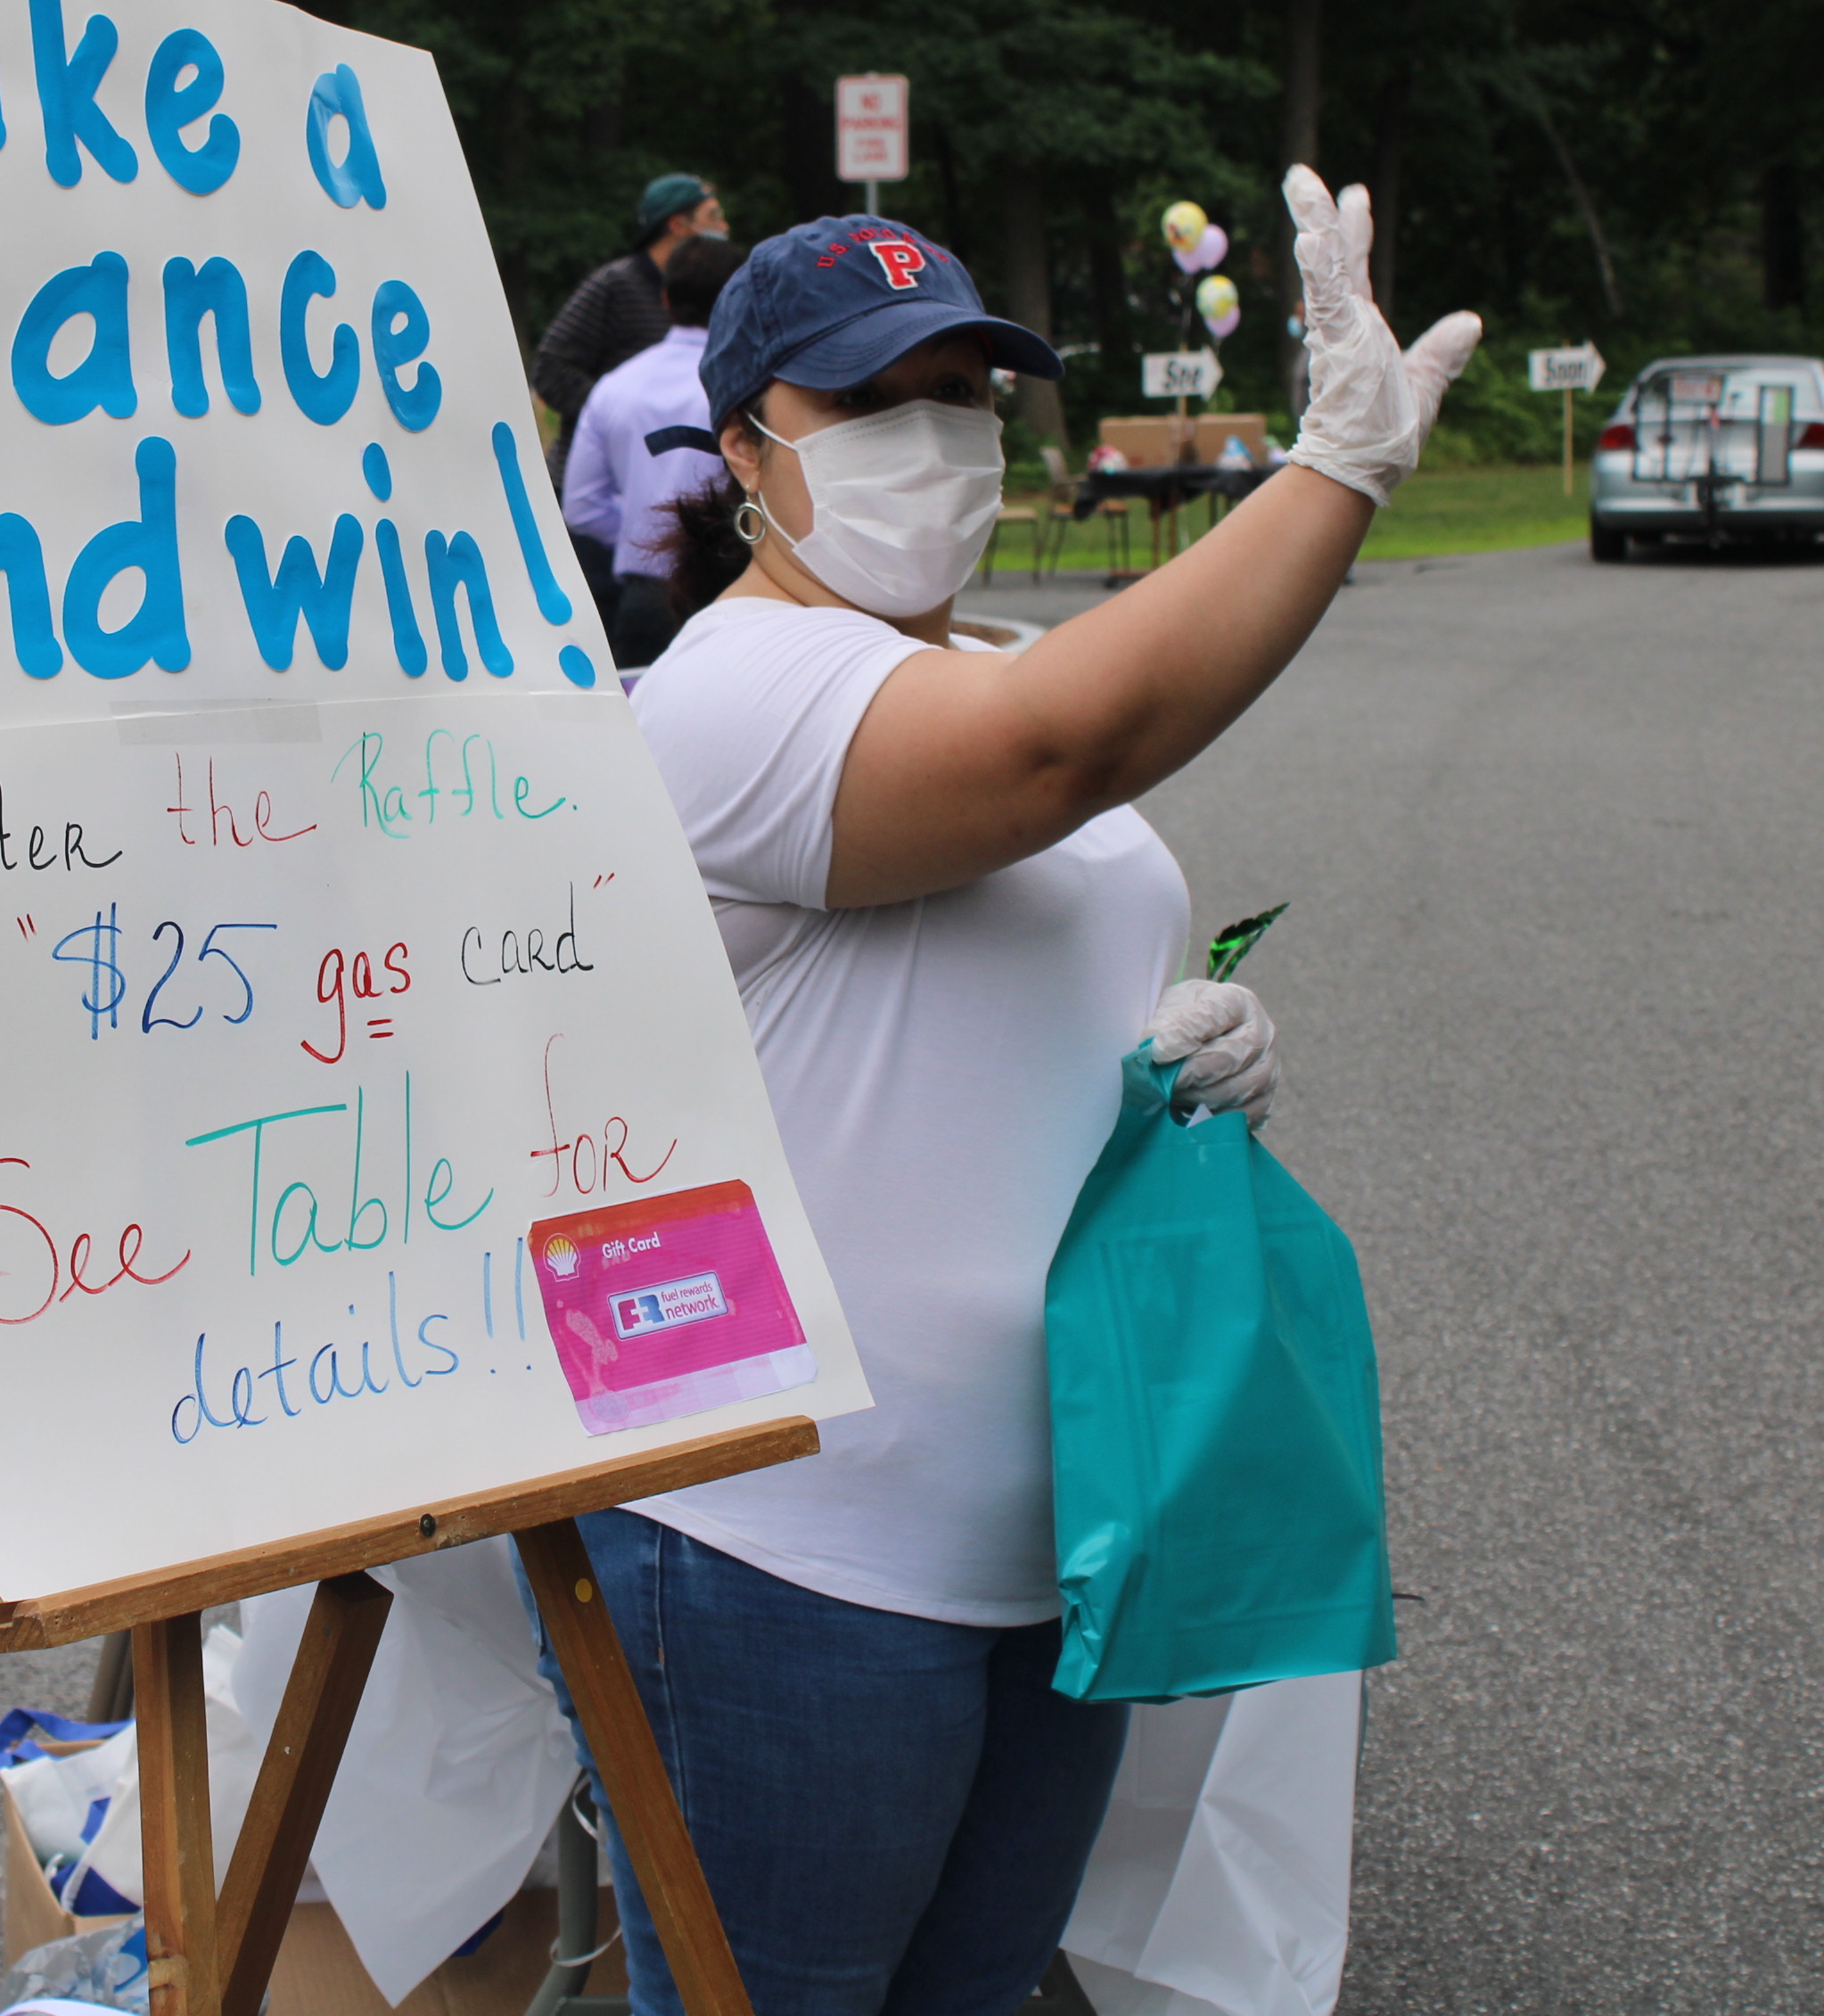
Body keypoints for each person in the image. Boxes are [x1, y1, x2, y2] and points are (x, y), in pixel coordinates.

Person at [530, 177, 1478, 2016]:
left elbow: (1018, 898)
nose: (938, 443)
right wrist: (1334, 467)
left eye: (968, 395)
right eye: (875, 404)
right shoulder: (726, 695)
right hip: (785, 1547)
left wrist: (1177, 1049)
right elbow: (1070, 746)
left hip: (1048, 1530)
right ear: (743, 445)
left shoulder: (959, 667)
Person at [533, 174, 729, 602]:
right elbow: (550, 366)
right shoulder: (614, 284)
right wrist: (616, 419)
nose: (726, 226)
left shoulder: (709, 290)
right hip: (604, 499)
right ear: (678, 225)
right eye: (713, 216)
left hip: (677, 492)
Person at [561, 233, 742, 668]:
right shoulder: (751, 385)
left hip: (647, 602)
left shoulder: (614, 387)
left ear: (664, 299)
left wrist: (646, 538)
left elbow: (581, 506)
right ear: (738, 301)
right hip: (738, 591)